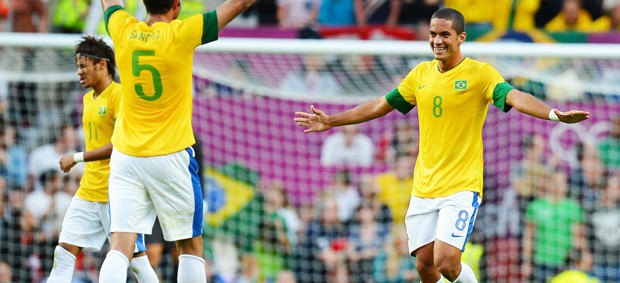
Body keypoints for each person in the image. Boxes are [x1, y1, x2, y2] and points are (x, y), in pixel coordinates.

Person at [294, 8, 589, 283]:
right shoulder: (420, 75)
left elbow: (515, 96)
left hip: (461, 186)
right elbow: (379, 105)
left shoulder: (480, 74)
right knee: (425, 265)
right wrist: (332, 120)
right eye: (433, 34)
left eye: (445, 35)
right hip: (424, 186)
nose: (437, 40)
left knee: (447, 262)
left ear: (461, 38)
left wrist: (552, 114)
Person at [98, 0, 257, 282]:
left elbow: (111, 2)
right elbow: (240, 3)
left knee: (121, 244)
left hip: (126, 156)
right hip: (170, 157)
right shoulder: (183, 33)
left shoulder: (122, 28)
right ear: (177, 6)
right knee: (190, 247)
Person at [47, 36, 158, 283]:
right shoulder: (88, 100)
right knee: (64, 253)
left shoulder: (120, 96)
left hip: (118, 190)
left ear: (102, 65)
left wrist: (76, 158)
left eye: (83, 65)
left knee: (137, 262)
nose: (79, 72)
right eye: (77, 66)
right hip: (89, 189)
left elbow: (119, 144)